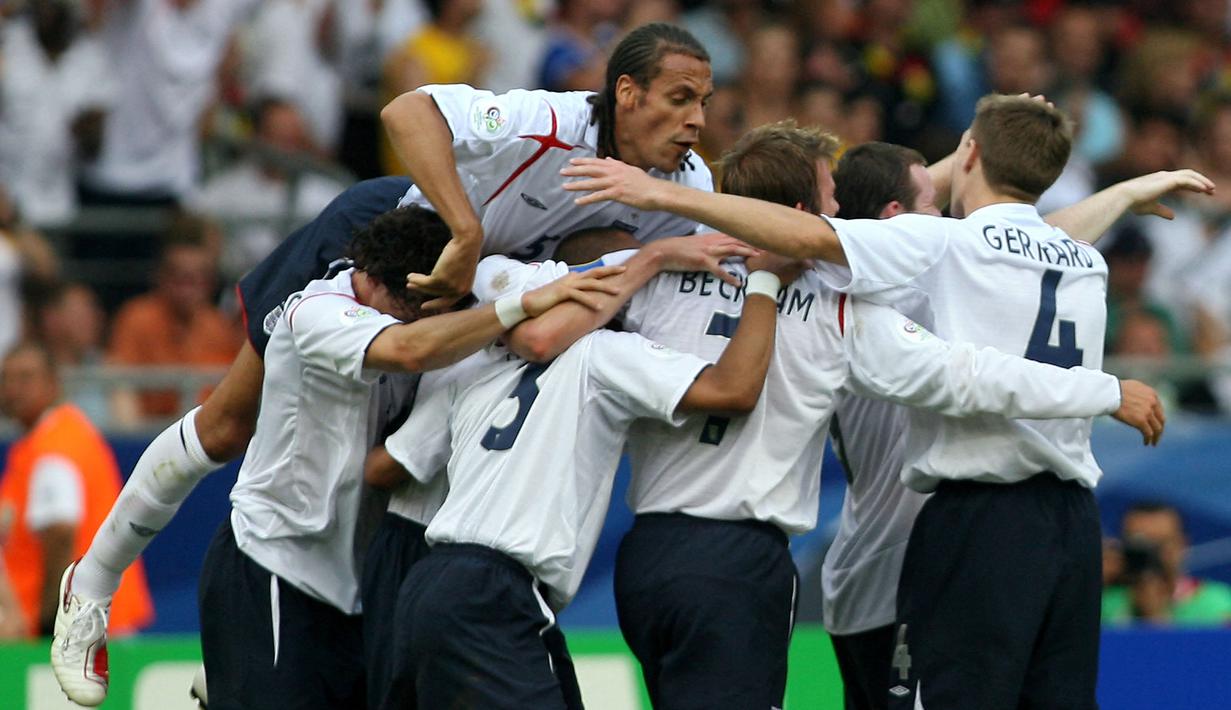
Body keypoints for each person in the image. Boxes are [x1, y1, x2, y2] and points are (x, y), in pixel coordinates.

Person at [560, 95, 1207, 708]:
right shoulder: (1078, 264)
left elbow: (871, 250)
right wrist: (1118, 193)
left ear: (972, 156)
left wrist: (657, 198)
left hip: (953, 528)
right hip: (1055, 524)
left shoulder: (928, 256)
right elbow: (1021, 237)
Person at [60, 205, 618, 709]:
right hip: (277, 567)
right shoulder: (317, 311)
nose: (421, 320)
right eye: (409, 308)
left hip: (361, 591)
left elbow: (569, 283)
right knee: (220, 429)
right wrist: (516, 305)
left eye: (432, 308)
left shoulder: (440, 298)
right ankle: (96, 587)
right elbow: (407, 348)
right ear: (369, 280)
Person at [377, 245, 796, 709]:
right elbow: (732, 390)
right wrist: (764, 283)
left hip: (427, 583)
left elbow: (382, 467)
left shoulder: (476, 367)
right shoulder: (604, 354)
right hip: (495, 594)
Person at [381, 21, 716, 307]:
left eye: (703, 102)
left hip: (505, 306)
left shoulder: (689, 182)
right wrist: (466, 233)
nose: (698, 120)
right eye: (680, 99)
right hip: (410, 260)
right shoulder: (550, 122)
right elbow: (408, 111)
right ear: (627, 92)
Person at [0, 342, 152, 640]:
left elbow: (59, 534)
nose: (14, 389)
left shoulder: (55, 449)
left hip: (79, 631)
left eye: (26, 378)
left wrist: (50, 622)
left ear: (53, 384)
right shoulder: (57, 436)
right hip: (96, 617)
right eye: (7, 379)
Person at [1103, 502, 1231, 626]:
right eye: (1138, 545)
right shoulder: (1101, 602)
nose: (1150, 555)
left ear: (1181, 544)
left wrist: (1153, 616)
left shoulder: (1218, 606)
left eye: (1159, 544)